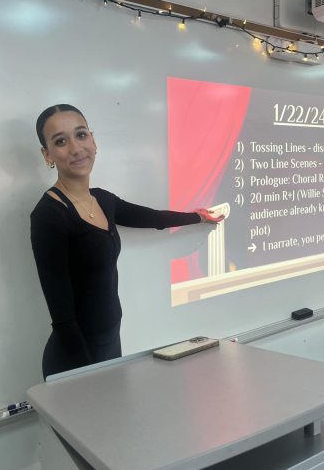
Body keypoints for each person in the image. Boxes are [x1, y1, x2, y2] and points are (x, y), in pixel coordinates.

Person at [30, 104, 223, 378]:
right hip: (76, 356)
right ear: (47, 154)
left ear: (94, 140)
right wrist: (89, 375)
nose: (75, 148)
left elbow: (153, 218)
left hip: (109, 340)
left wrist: (199, 217)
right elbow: (62, 318)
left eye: (81, 135)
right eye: (60, 141)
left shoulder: (103, 199)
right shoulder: (48, 215)